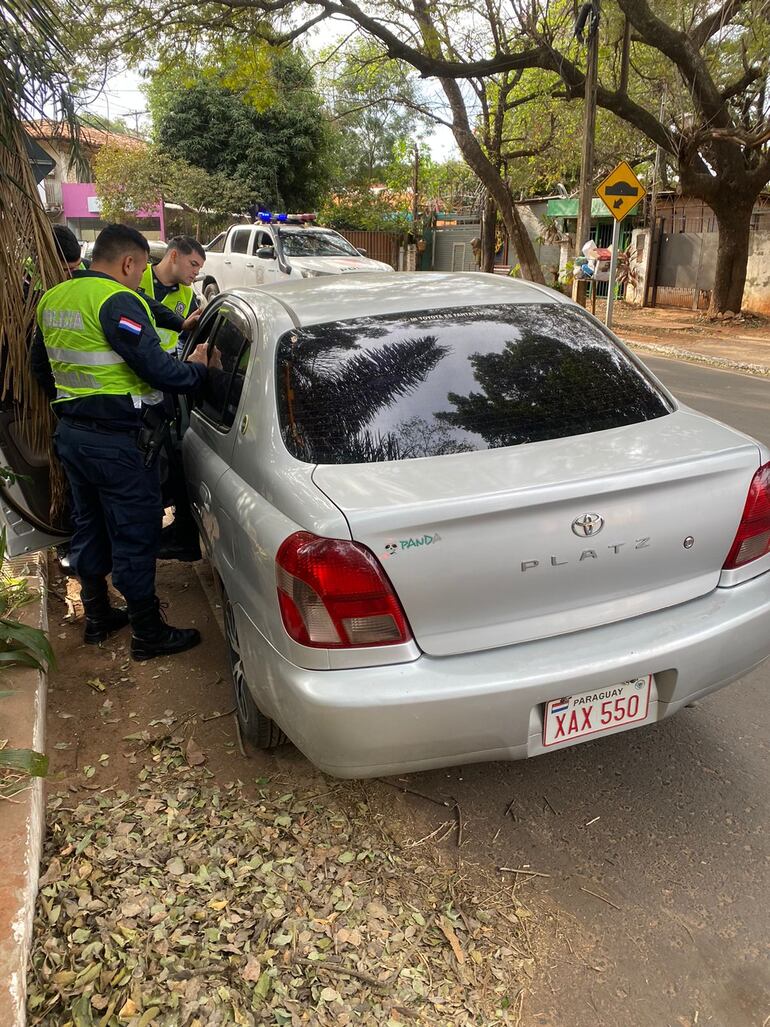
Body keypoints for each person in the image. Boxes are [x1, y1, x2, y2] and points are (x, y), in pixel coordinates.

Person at [30, 223, 211, 661]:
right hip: (119, 443)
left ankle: (98, 617)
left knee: (89, 524)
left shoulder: (53, 298)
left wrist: (79, 404)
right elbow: (160, 371)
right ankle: (148, 633)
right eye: (138, 270)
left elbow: (40, 369)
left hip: (73, 436)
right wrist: (201, 370)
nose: (138, 279)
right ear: (128, 262)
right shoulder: (117, 301)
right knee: (134, 532)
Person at [138, 236, 206, 562]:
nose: (196, 273)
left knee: (175, 455)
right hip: (136, 386)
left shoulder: (188, 295)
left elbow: (196, 336)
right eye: (193, 264)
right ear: (175, 256)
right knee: (148, 463)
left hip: (168, 384)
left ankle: (179, 532)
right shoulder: (137, 282)